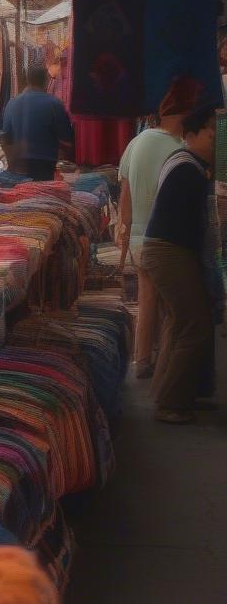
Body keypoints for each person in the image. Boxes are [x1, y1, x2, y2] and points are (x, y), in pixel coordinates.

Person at [118, 76, 204, 378]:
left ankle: (142, 359)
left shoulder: (136, 142)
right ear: (183, 117)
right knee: (170, 309)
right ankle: (164, 368)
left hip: (140, 238)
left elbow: (124, 197)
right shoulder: (181, 149)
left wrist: (124, 236)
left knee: (147, 299)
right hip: (165, 241)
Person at [139, 104, 220, 425]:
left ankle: (173, 393)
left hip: (167, 251)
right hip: (170, 252)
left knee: (179, 322)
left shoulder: (188, 164)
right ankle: (171, 402)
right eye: (212, 136)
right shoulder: (189, 168)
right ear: (191, 134)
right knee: (193, 325)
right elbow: (196, 221)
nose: (216, 142)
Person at [0, 66, 74, 180]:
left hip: (18, 167)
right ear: (46, 81)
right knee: (40, 196)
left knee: (21, 197)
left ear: (28, 81)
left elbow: (6, 140)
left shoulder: (12, 104)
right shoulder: (55, 104)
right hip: (44, 166)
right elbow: (67, 141)